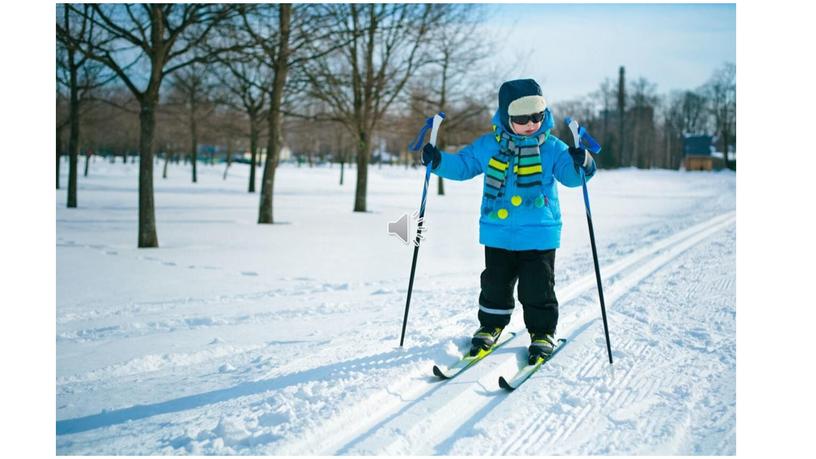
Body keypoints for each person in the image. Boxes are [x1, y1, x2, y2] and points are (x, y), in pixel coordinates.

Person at [421, 78, 596, 364]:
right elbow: (465, 165)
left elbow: (572, 177)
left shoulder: (552, 147)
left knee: (537, 287)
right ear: (506, 116)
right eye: (522, 118)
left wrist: (583, 162)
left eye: (537, 116)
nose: (531, 124)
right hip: (498, 232)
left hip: (538, 234)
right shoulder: (490, 145)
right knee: (494, 285)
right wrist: (438, 161)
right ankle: (491, 325)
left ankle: (542, 332)